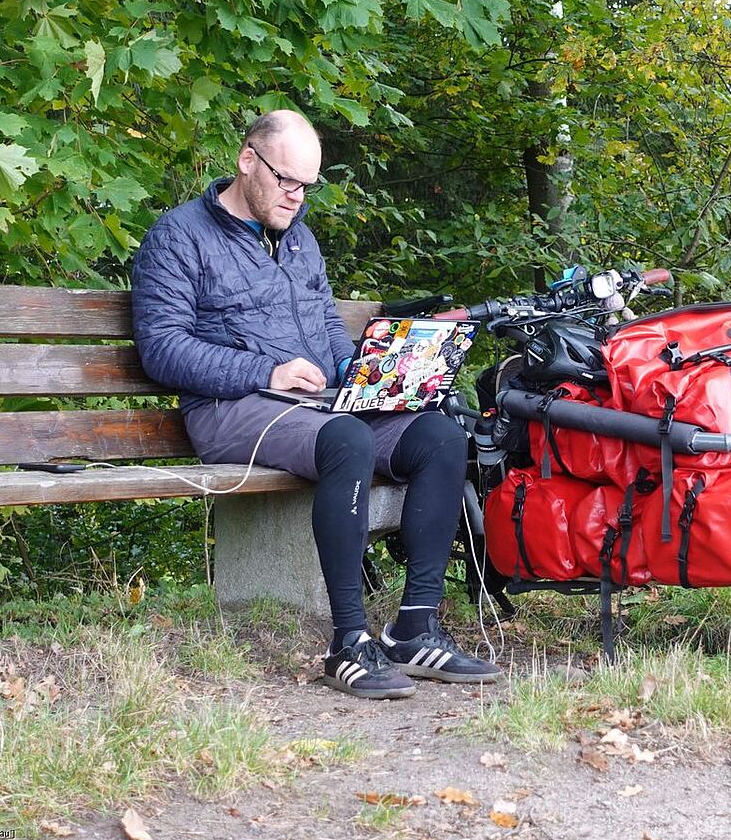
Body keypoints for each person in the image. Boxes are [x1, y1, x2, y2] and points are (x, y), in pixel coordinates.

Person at [131, 110, 499, 699]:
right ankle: (348, 644)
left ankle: (414, 629)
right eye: (287, 182)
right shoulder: (178, 236)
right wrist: (266, 370)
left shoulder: (299, 238)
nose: (297, 197)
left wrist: (376, 371)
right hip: (230, 409)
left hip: (317, 405)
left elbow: (327, 328)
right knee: (347, 441)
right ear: (247, 160)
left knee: (439, 436)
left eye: (308, 186)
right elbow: (162, 348)